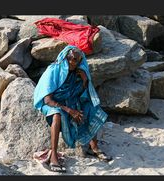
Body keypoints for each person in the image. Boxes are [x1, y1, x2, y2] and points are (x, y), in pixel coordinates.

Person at [33, 45, 112, 173]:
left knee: (90, 106)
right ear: (65, 57)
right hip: (51, 104)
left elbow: (78, 93)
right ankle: (53, 155)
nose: (73, 62)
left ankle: (94, 147)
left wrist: (85, 81)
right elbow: (48, 99)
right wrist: (69, 110)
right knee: (57, 115)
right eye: (71, 58)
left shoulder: (76, 73)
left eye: (77, 60)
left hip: (68, 102)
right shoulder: (53, 70)